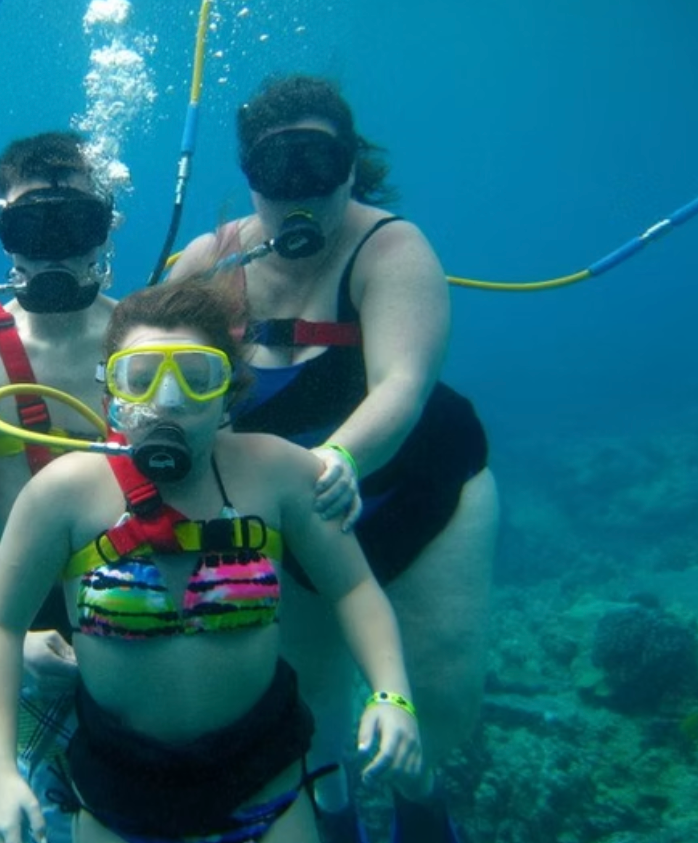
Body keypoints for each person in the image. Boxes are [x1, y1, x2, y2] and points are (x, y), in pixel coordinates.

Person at [0, 277, 425, 843]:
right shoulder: (61, 493)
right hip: (116, 786)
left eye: (195, 375)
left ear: (230, 390)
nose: (167, 400)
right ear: (110, 394)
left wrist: (391, 693)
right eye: (141, 377)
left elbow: (353, 588)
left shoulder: (281, 472)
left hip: (264, 774)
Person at [170, 75, 499, 843]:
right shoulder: (211, 262)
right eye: (275, 172)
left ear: (350, 166)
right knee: (309, 706)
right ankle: (337, 822)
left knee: (438, 701)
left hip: (418, 493)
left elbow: (403, 384)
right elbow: (138, 350)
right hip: (296, 518)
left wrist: (343, 455)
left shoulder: (392, 247)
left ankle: (421, 810)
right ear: (249, 175)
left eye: (317, 167)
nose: (298, 195)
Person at [0, 131, 118, 842]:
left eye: (77, 224)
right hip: (27, 603)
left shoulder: (144, 337)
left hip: (132, 591)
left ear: (108, 225)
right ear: (1, 232)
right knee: (47, 808)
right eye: (32, 228)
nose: (57, 250)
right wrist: (9, 629)